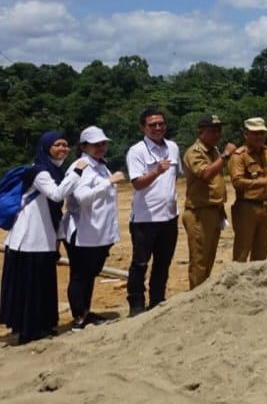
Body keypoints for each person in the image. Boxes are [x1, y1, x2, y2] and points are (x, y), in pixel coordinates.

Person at [1, 132, 84, 344]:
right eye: (57, 145)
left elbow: (56, 210)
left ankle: (42, 325)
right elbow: (56, 195)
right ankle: (28, 330)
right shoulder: (40, 172)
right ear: (46, 147)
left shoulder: (55, 171)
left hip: (44, 238)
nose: (63, 148)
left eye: (65, 145)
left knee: (42, 286)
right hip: (28, 239)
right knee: (29, 288)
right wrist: (75, 172)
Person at [59, 126, 125, 331]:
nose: (101, 148)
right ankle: (79, 317)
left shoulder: (100, 165)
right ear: (83, 146)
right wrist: (108, 182)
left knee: (90, 274)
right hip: (83, 231)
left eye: (103, 144)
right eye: (95, 145)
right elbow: (82, 197)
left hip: (99, 232)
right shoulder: (81, 166)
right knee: (80, 275)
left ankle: (86, 311)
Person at [125, 108, 181, 316]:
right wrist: (156, 171)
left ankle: (157, 300)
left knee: (163, 262)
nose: (158, 128)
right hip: (144, 219)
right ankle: (136, 304)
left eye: (161, 124)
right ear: (143, 127)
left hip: (169, 217)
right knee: (140, 263)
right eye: (152, 125)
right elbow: (137, 184)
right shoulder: (137, 151)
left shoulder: (173, 148)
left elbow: (174, 177)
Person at [182, 115, 237, 289]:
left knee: (209, 256)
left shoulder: (214, 151)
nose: (217, 134)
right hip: (199, 212)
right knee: (199, 259)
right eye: (212, 130)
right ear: (201, 131)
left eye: (219, 130)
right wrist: (226, 155)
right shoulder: (195, 152)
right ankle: (196, 294)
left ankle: (203, 293)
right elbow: (205, 174)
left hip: (214, 210)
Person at [228, 117, 267, 264]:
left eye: (261, 133)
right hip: (247, 207)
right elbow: (237, 182)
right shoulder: (239, 156)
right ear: (246, 134)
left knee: (261, 253)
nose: (259, 137)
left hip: (266, 207)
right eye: (255, 133)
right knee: (242, 252)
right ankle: (237, 285)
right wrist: (263, 182)